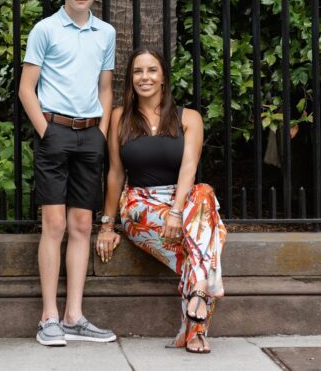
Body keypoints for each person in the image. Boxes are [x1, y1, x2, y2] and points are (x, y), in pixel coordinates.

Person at [96, 48, 227, 354]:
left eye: (152, 70)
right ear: (131, 79)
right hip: (139, 205)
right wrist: (107, 225)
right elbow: (115, 174)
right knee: (206, 250)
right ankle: (197, 321)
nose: (145, 77)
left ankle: (194, 317)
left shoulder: (189, 118)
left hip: (182, 203)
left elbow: (189, 168)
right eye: (138, 71)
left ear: (164, 76)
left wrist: (176, 213)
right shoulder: (119, 117)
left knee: (204, 191)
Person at [18, 0, 117, 347]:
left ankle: (74, 316)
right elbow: (27, 88)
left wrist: (102, 131)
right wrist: (46, 131)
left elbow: (105, 87)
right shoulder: (45, 30)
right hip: (56, 132)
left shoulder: (105, 33)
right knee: (54, 226)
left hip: (90, 135)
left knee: (81, 226)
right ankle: (49, 318)